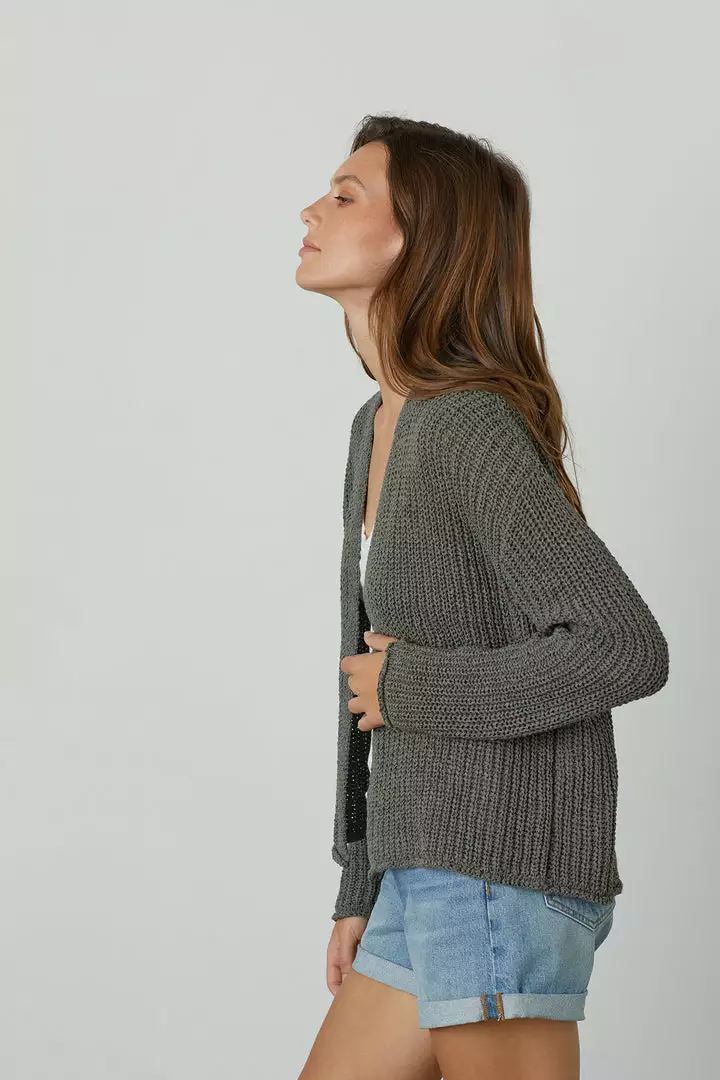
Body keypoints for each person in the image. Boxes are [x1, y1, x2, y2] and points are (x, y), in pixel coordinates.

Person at [294, 115, 669, 1080]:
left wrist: (411, 688)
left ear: (420, 236)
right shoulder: (378, 423)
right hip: (422, 864)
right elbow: (366, 675)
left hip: (500, 865)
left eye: (344, 195)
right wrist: (361, 878)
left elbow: (623, 645)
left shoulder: (467, 426)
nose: (310, 211)